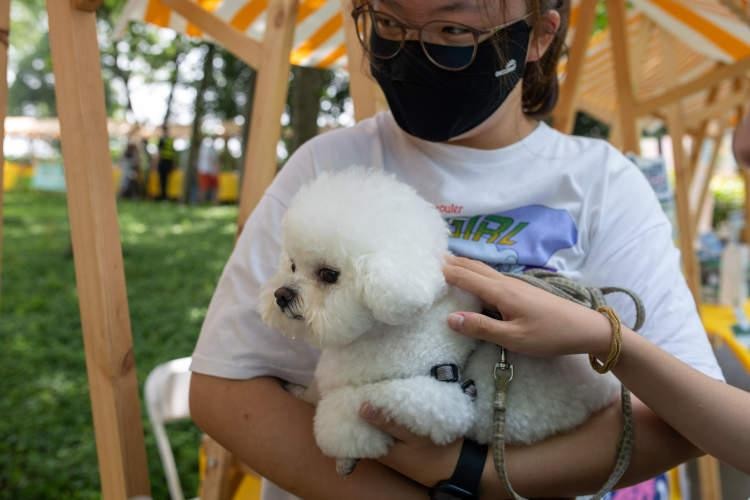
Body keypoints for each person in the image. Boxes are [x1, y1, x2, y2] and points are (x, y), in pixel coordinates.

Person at [189, 1, 725, 499]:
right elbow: (225, 386)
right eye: (390, 24)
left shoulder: (602, 182)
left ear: (538, 34)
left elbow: (684, 416)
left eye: (453, 31)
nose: (411, 56)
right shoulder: (328, 165)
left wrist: (473, 479)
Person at [196, 137, 219, 203]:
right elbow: (212, 160)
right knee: (205, 188)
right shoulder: (209, 147)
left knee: (207, 187)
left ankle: (204, 201)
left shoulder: (204, 147)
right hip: (207, 170)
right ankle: (202, 201)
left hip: (205, 170)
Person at [157, 126, 176, 201]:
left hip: (167, 162)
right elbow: (159, 152)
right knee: (163, 180)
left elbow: (172, 152)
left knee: (166, 180)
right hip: (163, 161)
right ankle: (163, 196)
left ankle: (166, 196)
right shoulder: (163, 140)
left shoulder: (169, 140)